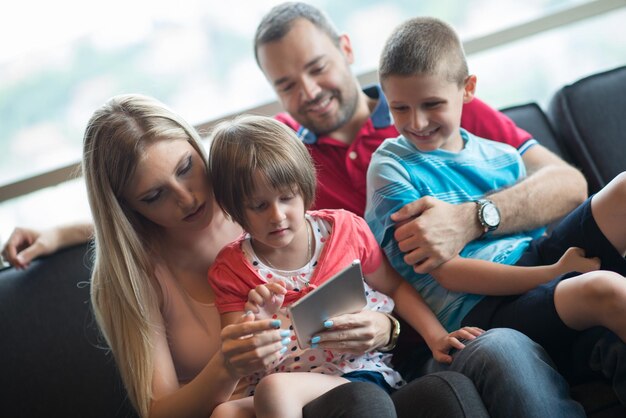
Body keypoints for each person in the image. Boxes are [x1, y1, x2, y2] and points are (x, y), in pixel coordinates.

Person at [366, 15, 626, 403]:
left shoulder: (503, 156)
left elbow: (537, 237)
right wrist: (553, 273)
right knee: (603, 287)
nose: (416, 122)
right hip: (479, 309)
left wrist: (551, 270)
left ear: (468, 89)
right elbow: (450, 274)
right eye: (400, 108)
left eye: (432, 104)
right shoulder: (390, 167)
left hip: (534, 267)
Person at [253, 1, 587, 274]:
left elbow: (569, 185)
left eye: (317, 68)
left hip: (519, 274)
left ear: (346, 49)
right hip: (419, 342)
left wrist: (473, 219)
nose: (309, 91)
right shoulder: (284, 161)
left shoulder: (436, 104)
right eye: (286, 85)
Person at [205, 115, 484, 418]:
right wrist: (258, 322)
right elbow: (242, 356)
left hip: (354, 373)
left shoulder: (345, 230)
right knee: (225, 413)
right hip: (288, 389)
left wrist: (436, 337)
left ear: (304, 187)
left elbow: (395, 287)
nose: (277, 216)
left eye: (287, 198)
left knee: (273, 388)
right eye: (259, 206)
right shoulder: (231, 268)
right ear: (233, 207)